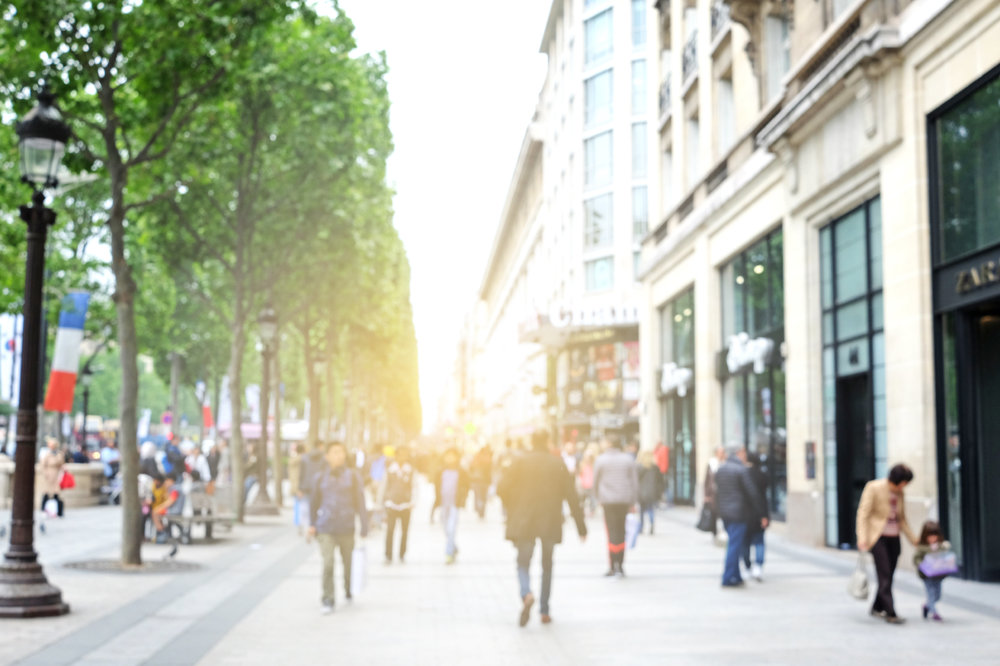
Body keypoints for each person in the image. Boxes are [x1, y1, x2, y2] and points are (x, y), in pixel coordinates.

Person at [498, 430, 587, 627]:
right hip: (549, 520)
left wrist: (513, 506)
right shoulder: (557, 464)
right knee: (547, 564)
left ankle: (526, 593)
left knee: (523, 562)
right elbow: (571, 496)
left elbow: (501, 488)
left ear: (531, 441)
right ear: (547, 442)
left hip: (525, 520)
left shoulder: (520, 462)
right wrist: (581, 527)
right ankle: (545, 610)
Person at [308, 440, 369, 614]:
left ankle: (348, 589)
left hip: (346, 526)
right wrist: (312, 525)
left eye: (341, 452)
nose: (338, 455)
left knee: (347, 563)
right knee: (328, 563)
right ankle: (328, 598)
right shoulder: (319, 478)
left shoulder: (353, 476)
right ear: (327, 456)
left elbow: (360, 502)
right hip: (325, 527)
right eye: (334, 452)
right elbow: (314, 503)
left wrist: (364, 525)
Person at [856, 463, 918, 624]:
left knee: (888, 574)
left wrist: (913, 539)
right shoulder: (874, 487)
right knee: (884, 574)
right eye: (905, 482)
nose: (906, 486)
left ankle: (877, 607)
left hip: (894, 537)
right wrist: (862, 538)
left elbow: (902, 519)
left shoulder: (900, 493)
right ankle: (891, 612)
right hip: (878, 538)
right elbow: (863, 513)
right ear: (898, 480)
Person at [714, 444, 768, 587]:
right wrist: (762, 514)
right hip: (738, 514)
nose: (745, 455)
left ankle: (736, 576)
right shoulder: (741, 470)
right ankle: (728, 577)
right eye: (743, 452)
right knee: (734, 547)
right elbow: (753, 494)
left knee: (734, 544)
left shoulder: (721, 469)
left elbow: (717, 493)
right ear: (738, 453)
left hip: (725, 513)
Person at [593, 439, 639, 576]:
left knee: (611, 533)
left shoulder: (601, 460)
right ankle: (621, 564)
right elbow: (634, 482)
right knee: (621, 532)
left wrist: (598, 498)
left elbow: (595, 481)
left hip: (608, 501)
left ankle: (613, 565)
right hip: (624, 500)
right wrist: (633, 501)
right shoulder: (628, 460)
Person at [434, 448, 469, 564]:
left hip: (455, 504)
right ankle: (454, 547)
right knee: (445, 527)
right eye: (448, 456)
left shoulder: (461, 471)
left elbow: (466, 486)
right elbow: (436, 486)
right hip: (444, 503)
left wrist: (463, 500)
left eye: (452, 456)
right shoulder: (440, 471)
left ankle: (448, 553)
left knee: (451, 528)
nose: (450, 458)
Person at [913, 521, 951, 622]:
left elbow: (945, 557)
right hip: (927, 576)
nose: (932, 539)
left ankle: (927, 606)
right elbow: (916, 559)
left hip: (938, 575)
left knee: (937, 595)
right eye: (930, 536)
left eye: (935, 536)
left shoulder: (941, 547)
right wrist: (922, 565)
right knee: (931, 593)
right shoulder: (922, 548)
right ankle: (934, 612)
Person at [741, 451, 770, 581]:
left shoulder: (743, 474)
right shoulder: (762, 475)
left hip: (745, 514)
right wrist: (764, 516)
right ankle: (758, 566)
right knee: (759, 541)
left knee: (745, 542)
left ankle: (747, 567)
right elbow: (763, 497)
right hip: (759, 513)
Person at [384, 446, 415, 563]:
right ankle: (388, 554)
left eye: (405, 454)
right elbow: (384, 486)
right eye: (400, 454)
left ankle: (402, 554)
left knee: (405, 531)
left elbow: (415, 486)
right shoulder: (390, 469)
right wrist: (384, 501)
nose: (403, 457)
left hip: (406, 505)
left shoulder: (410, 470)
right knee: (390, 530)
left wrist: (413, 501)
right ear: (396, 455)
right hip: (391, 504)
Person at [701, 446, 725, 539]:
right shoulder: (711, 464)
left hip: (723, 494)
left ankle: (722, 532)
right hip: (713, 495)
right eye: (721, 452)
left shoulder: (725, 464)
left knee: (722, 514)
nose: (722, 454)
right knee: (714, 514)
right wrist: (706, 495)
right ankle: (715, 533)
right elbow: (707, 480)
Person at [637, 451, 663, 535]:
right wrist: (659, 492)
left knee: (641, 511)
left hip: (641, 492)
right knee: (651, 509)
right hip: (652, 493)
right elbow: (660, 481)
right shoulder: (655, 468)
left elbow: (635, 480)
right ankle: (652, 525)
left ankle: (641, 527)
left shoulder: (639, 467)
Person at [151, 473, 182, 543]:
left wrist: (158, 508)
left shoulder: (175, 489)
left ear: (171, 480)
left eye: (167, 480)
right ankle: (163, 531)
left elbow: (170, 502)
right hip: (173, 510)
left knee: (155, 512)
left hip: (175, 511)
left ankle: (161, 531)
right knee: (157, 512)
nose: (165, 482)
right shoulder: (173, 488)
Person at [39, 437, 65, 517]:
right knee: (46, 493)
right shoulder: (47, 453)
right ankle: (44, 510)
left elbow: (61, 463)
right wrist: (46, 473)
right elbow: (43, 465)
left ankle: (59, 512)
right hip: (49, 476)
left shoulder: (59, 453)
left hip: (56, 475)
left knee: (56, 494)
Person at [470, 445, 493, 519]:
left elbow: (471, 468)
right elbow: (490, 470)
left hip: (477, 480)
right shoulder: (488, 458)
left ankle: (479, 509)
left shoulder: (476, 458)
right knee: (483, 497)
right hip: (485, 481)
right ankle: (482, 511)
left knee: (478, 496)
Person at [288, 443, 306, 535]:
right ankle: (301, 525)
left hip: (294, 487)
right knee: (303, 507)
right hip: (300, 487)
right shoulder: (303, 460)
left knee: (297, 506)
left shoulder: (292, 460)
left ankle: (299, 524)